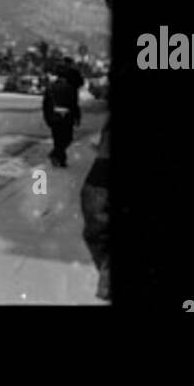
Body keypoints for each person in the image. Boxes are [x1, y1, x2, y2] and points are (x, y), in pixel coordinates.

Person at [80, 117, 111, 300]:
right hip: (100, 176)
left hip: (100, 178)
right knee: (95, 232)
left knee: (97, 232)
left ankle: (107, 281)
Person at [42, 66, 81, 167]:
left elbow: (45, 105)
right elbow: (74, 104)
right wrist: (77, 117)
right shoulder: (70, 88)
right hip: (66, 117)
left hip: (54, 118)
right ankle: (57, 156)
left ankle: (58, 158)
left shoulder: (50, 87)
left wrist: (47, 118)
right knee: (67, 138)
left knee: (57, 139)